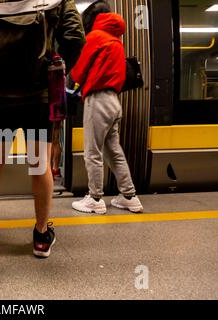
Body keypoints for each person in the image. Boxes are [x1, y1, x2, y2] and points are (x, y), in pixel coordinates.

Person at [0, 0, 85, 258]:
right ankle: (41, 236)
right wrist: (54, 70)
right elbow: (75, 37)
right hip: (38, 96)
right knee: (39, 164)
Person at [70, 1, 144, 215]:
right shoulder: (116, 40)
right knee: (114, 151)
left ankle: (94, 198)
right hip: (114, 101)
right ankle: (129, 196)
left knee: (92, 151)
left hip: (98, 99)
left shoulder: (95, 37)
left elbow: (77, 71)